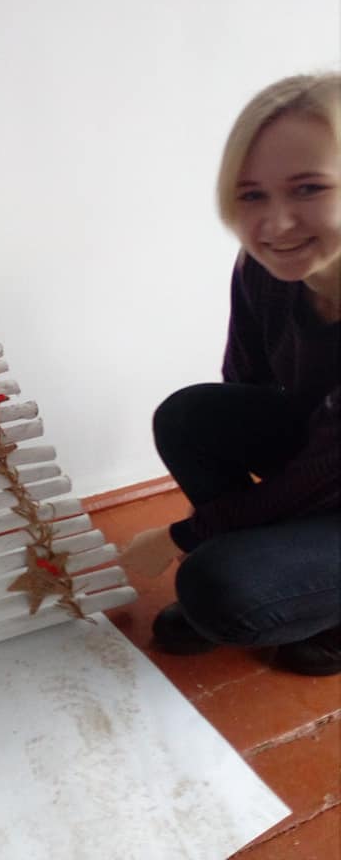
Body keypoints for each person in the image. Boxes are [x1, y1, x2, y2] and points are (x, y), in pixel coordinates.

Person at [120, 72, 341, 676]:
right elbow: (246, 388)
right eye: (251, 195)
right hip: (327, 468)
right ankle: (286, 579)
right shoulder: (267, 268)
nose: (275, 224)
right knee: (189, 415)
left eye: (308, 188)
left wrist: (183, 536)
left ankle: (323, 609)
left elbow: (319, 476)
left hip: (330, 473)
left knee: (218, 587)